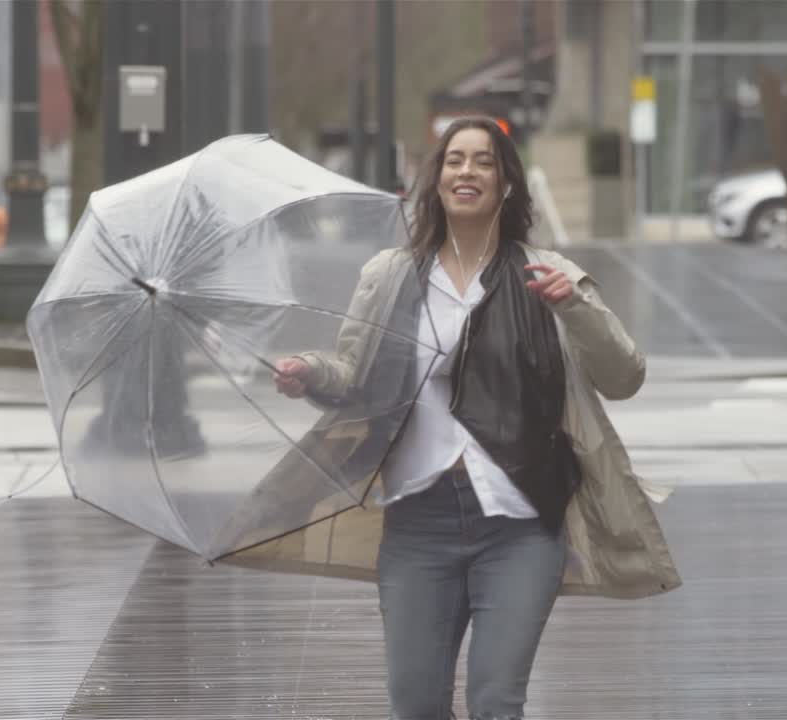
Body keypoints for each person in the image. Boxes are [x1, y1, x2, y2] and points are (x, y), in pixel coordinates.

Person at [270, 117, 680, 720]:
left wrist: (574, 308)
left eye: (484, 161)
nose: (467, 171)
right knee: (416, 704)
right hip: (417, 525)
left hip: (519, 526)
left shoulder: (547, 273)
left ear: (507, 182)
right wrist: (308, 371)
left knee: (496, 702)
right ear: (433, 179)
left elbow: (625, 376)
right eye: (454, 160)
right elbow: (354, 374)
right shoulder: (391, 275)